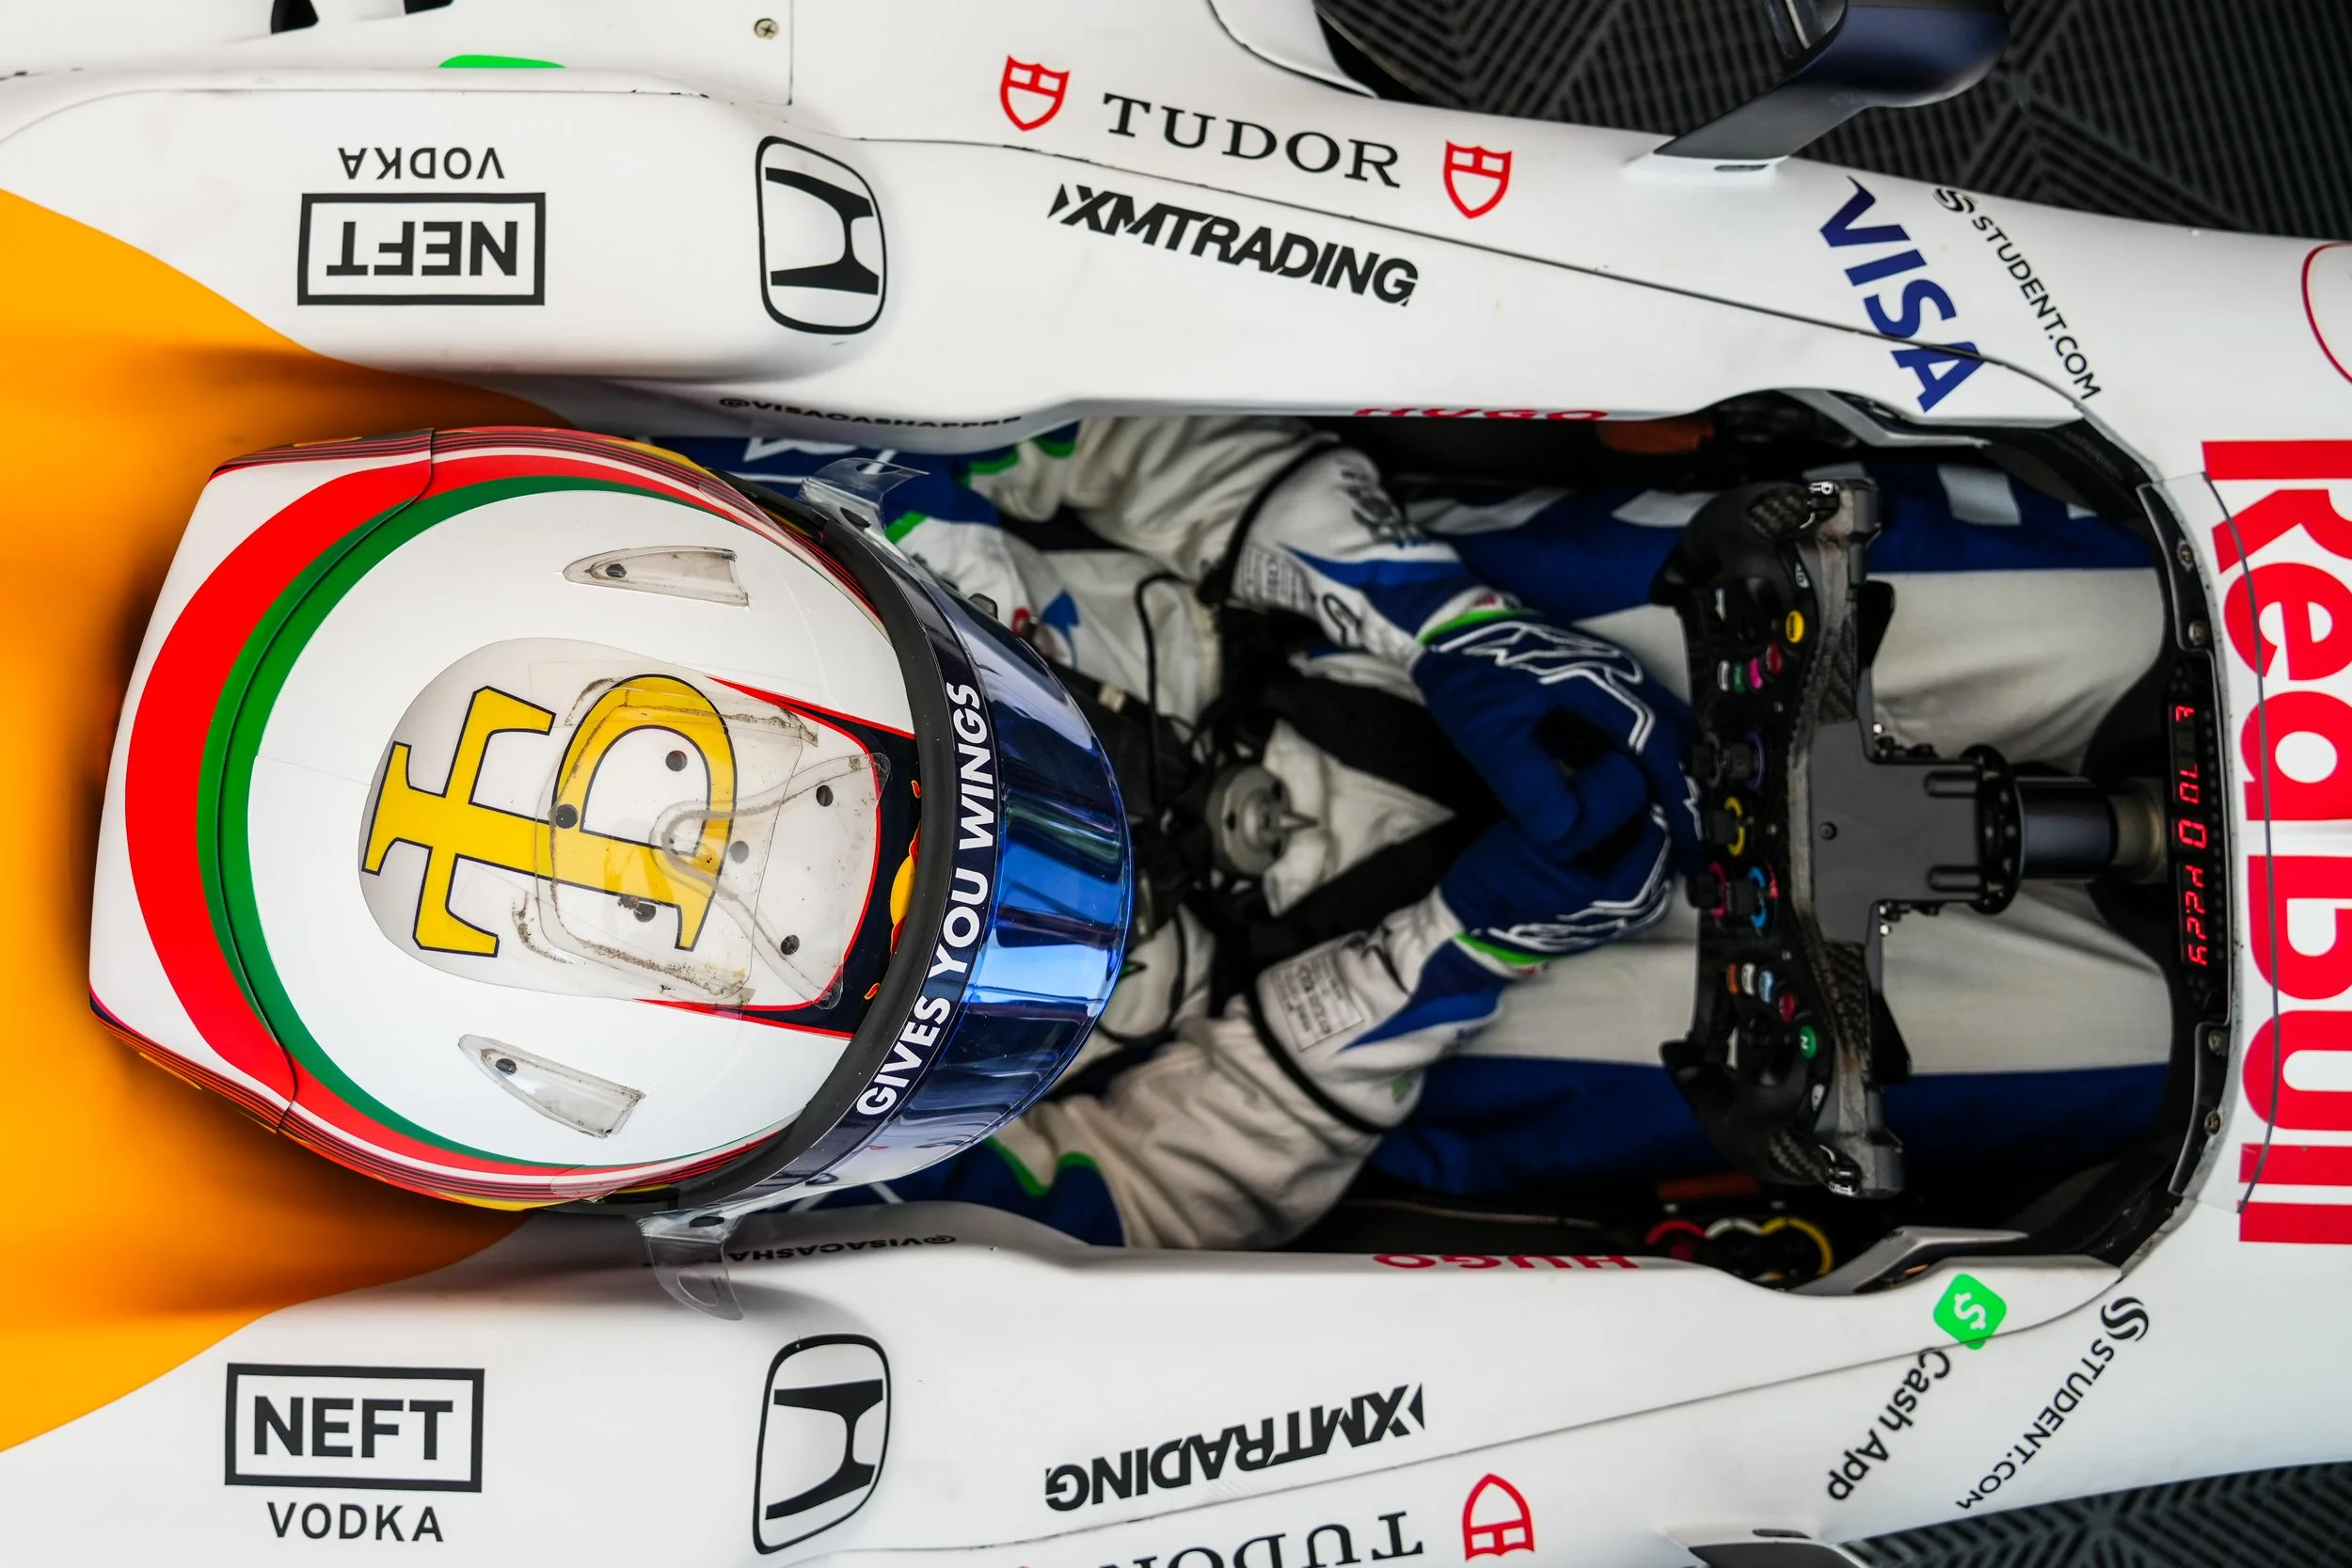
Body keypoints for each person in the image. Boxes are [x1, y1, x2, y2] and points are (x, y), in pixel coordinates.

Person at [659, 416, 2173, 1249]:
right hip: (1362, 1008)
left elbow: (1092, 424)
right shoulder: (746, 1144)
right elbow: (1128, 1212)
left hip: (1365, 633)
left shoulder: (780, 496)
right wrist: (1448, 953)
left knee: (2159, 616)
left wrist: (1444, 630)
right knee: (2172, 1041)